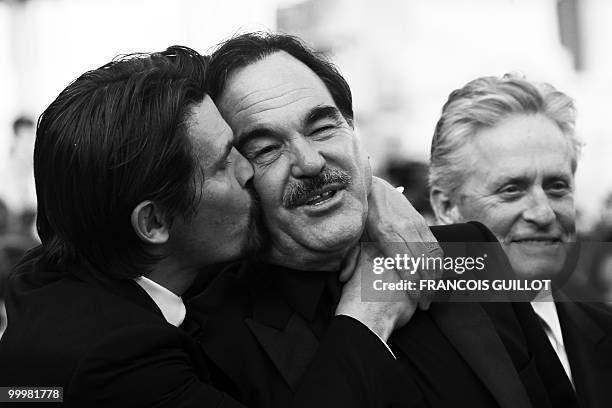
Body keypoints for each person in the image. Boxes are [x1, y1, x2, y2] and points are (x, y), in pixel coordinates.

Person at [0, 46, 424, 408]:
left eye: (324, 127)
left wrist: (368, 191)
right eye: (234, 157)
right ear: (154, 222)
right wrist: (370, 312)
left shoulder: (63, 274)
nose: (249, 171)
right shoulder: (116, 363)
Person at [189, 32, 534, 408]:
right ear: (234, 174)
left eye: (322, 128)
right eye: (267, 149)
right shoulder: (210, 338)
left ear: (354, 133)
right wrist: (368, 319)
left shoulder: (470, 253)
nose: (310, 162)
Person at [429, 73, 612, 407]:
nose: (543, 214)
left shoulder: (605, 331)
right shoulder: (408, 348)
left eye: (557, 186)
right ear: (446, 207)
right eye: (511, 189)